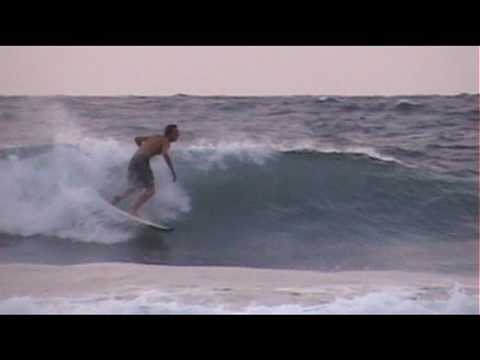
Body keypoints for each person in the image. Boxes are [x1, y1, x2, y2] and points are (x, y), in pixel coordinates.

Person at [112, 124, 179, 217]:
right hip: (142, 159)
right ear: (169, 134)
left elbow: (137, 139)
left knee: (136, 186)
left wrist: (143, 149)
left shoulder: (155, 137)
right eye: (176, 133)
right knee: (151, 190)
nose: (178, 135)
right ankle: (133, 210)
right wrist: (172, 171)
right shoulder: (165, 141)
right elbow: (165, 154)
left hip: (134, 159)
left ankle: (116, 199)